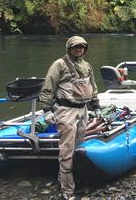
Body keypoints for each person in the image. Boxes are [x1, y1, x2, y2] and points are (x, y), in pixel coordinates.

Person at [38, 36, 100, 200]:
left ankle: (73, 180)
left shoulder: (87, 66)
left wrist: (97, 106)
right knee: (66, 151)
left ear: (85, 49)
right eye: (75, 47)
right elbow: (48, 88)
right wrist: (46, 110)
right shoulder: (59, 64)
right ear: (69, 48)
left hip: (83, 110)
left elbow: (93, 88)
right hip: (66, 111)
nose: (78, 49)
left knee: (78, 148)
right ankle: (68, 190)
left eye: (81, 47)